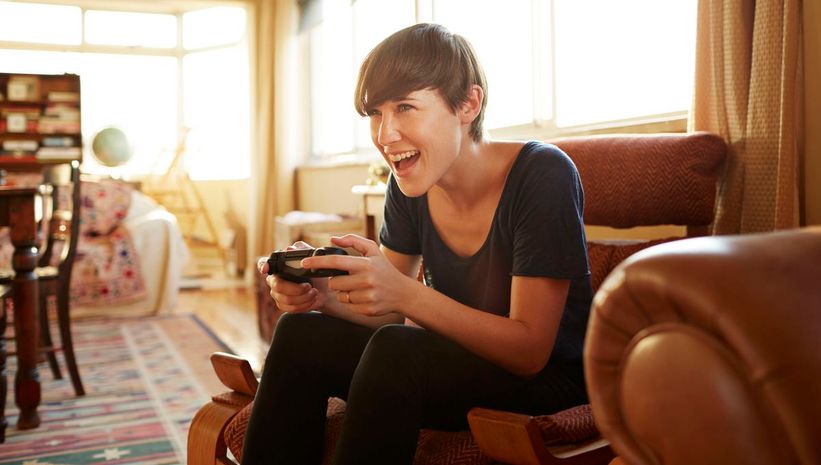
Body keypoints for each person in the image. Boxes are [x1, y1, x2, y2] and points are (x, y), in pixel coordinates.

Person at [242, 22, 592, 465]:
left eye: (406, 107)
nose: (385, 136)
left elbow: (529, 351)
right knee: (300, 334)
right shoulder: (410, 181)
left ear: (468, 103)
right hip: (449, 362)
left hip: (547, 380)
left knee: (397, 350)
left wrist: (404, 292)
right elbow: (393, 311)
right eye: (375, 113)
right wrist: (322, 296)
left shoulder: (543, 174)